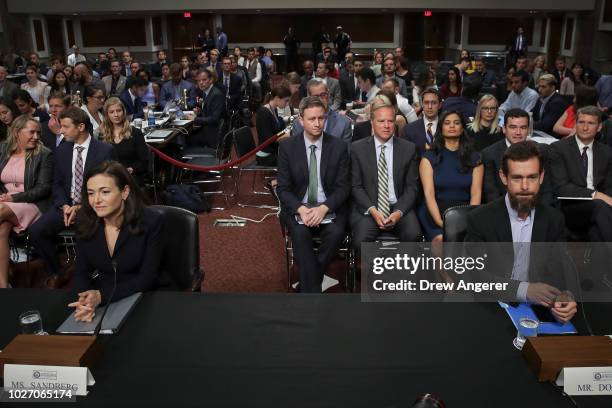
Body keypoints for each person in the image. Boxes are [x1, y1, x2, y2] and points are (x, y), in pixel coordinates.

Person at [465, 141, 578, 322]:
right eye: (517, 178)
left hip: (537, 309)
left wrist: (565, 296)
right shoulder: (480, 219)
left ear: (541, 177)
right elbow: (475, 277)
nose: (525, 186)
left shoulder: (553, 219)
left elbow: (560, 269)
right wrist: (525, 289)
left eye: (532, 177)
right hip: (491, 307)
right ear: (504, 177)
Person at [29, 107, 116, 288]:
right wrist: (64, 205)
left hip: (93, 206)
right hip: (66, 206)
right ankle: (58, 272)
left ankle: (92, 274)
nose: (61, 131)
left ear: (81, 127)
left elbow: (106, 188)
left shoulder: (104, 151)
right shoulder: (62, 150)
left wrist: (81, 207)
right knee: (37, 231)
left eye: (66, 127)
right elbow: (57, 183)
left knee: (87, 232)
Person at [69, 161, 163, 320]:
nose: (96, 200)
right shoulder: (85, 222)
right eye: (91, 193)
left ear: (124, 191)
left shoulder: (151, 222)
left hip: (148, 298)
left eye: (104, 192)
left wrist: (101, 296)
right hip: (106, 303)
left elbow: (148, 278)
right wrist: (85, 301)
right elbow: (81, 273)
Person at [276, 96, 350, 293]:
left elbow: (343, 187)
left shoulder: (339, 147)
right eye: (312, 119)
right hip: (297, 207)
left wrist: (323, 208)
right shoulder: (287, 147)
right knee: (300, 234)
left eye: (321, 118)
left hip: (329, 206)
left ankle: (308, 284)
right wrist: (301, 209)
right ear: (301, 120)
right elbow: (283, 188)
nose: (317, 123)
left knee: (336, 233)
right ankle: (313, 288)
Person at [350, 94, 421, 249]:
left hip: (399, 207)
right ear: (372, 123)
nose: (386, 125)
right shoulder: (357, 149)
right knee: (360, 240)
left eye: (390, 121)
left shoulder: (408, 149)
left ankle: (401, 272)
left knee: (414, 235)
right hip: (370, 208)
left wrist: (398, 213)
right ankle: (375, 272)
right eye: (381, 121)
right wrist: (374, 211)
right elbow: (356, 187)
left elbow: (412, 188)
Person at [0, 115, 53, 287]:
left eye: (38, 133)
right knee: (1, 230)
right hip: (5, 202)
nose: (36, 137)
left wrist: (14, 198)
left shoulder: (44, 154)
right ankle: (3, 284)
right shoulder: (3, 149)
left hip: (31, 204)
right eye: (31, 132)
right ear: (16, 132)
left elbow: (43, 188)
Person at [417, 110, 483, 242]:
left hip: (465, 211)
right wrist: (441, 223)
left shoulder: (475, 158)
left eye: (456, 123)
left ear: (462, 127)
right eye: (447, 123)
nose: (452, 126)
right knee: (441, 240)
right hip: (435, 212)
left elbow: (476, 193)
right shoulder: (428, 158)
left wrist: (466, 221)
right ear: (441, 128)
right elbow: (429, 194)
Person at [550, 106, 612, 240]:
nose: (585, 127)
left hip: (601, 209)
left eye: (590, 123)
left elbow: (609, 185)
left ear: (599, 127)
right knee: (600, 207)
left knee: (597, 231)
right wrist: (596, 195)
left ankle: (598, 260)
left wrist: (606, 198)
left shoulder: (606, 152)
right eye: (581, 122)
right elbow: (561, 188)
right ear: (575, 124)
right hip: (570, 208)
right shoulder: (558, 149)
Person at [482, 108, 554, 206]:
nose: (518, 132)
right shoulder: (489, 154)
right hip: (503, 212)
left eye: (523, 128)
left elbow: (547, 190)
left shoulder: (541, 151)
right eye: (513, 127)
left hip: (536, 210)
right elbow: (491, 193)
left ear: (528, 130)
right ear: (504, 129)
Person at [100, 97, 149, 185]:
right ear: (107, 115)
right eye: (112, 112)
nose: (116, 115)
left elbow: (144, 162)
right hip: (110, 178)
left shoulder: (135, 133)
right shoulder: (102, 135)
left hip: (131, 177)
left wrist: (132, 169)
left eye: (119, 111)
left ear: (124, 112)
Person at [291, 78, 352, 144]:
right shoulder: (298, 124)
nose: (320, 100)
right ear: (309, 97)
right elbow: (297, 151)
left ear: (328, 95)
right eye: (316, 96)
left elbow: (346, 152)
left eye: (323, 95)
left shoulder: (344, 123)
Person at [255, 86, 292, 166]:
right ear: (277, 98)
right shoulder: (263, 113)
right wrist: (289, 134)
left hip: (273, 151)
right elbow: (268, 139)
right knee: (295, 160)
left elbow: (278, 131)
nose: (287, 104)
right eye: (286, 101)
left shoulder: (274, 109)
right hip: (266, 156)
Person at [191, 69, 226, 149]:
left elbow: (215, 119)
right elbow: (209, 111)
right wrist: (200, 112)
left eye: (204, 80)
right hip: (208, 129)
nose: (201, 83)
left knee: (186, 140)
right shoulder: (206, 91)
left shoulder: (216, 94)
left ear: (211, 80)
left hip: (213, 134)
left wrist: (195, 119)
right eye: (198, 81)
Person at [401, 87, 441, 156]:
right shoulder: (409, 129)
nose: (430, 106)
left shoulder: (446, 127)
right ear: (422, 104)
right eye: (426, 103)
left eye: (434, 103)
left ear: (440, 105)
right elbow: (406, 157)